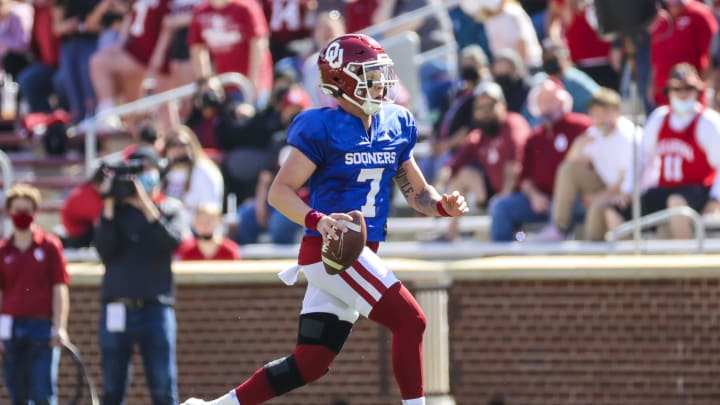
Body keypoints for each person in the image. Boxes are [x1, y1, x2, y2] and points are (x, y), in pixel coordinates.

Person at [181, 33, 468, 405]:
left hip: (357, 251)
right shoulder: (321, 127)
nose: (380, 84)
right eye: (369, 75)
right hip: (331, 251)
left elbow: (418, 193)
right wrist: (318, 220)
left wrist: (442, 206)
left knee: (310, 363)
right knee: (411, 321)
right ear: (341, 82)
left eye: (381, 74)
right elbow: (279, 192)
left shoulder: (395, 123)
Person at [94, 146, 186, 405]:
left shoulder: (169, 207)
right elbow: (104, 249)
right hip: (117, 307)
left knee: (163, 388)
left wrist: (144, 204)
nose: (140, 176)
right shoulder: (115, 212)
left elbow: (171, 242)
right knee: (112, 389)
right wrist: (110, 202)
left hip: (155, 310)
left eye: (145, 169)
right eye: (135, 169)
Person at [606, 63, 720, 239]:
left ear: (697, 91)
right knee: (615, 210)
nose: (682, 95)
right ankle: (632, 261)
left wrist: (716, 200)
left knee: (677, 205)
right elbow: (642, 159)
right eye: (677, 89)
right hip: (665, 188)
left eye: (688, 89)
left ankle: (685, 262)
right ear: (668, 92)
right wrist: (628, 191)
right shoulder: (659, 118)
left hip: (699, 190)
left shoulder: (708, 122)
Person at [489, 78, 591, 241]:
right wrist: (534, 196)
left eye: (552, 100)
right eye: (543, 101)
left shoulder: (581, 127)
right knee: (500, 206)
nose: (547, 106)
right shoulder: (534, 137)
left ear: (562, 102)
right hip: (541, 201)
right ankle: (501, 258)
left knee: (565, 202)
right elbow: (524, 178)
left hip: (574, 200)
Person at [534, 87, 635, 241]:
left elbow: (625, 183)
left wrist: (597, 197)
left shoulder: (628, 136)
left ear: (617, 112)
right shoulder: (593, 134)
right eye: (596, 114)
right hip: (605, 187)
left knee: (596, 207)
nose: (601, 119)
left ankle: (593, 256)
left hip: (628, 195)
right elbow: (568, 165)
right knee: (568, 170)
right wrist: (577, 146)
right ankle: (559, 228)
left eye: (606, 113)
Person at [0, 183, 70, 405]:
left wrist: (59, 326)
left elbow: (59, 288)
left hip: (42, 328)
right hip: (11, 330)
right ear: (9, 212)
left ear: (35, 212)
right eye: (17, 210)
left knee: (42, 394)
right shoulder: (3, 250)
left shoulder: (49, 246)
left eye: (26, 210)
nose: (21, 215)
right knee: (17, 394)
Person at [434, 81, 531, 241]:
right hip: (495, 193)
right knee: (462, 175)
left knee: (501, 204)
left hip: (524, 194)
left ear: (503, 105)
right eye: (480, 108)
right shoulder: (478, 136)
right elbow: (452, 165)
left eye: (490, 106)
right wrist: (437, 189)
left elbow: (515, 162)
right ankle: (450, 233)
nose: (485, 112)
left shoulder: (513, 124)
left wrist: (504, 198)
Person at [175, 203, 241, 260]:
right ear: (194, 224)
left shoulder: (230, 250)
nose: (205, 225)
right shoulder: (186, 251)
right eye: (200, 221)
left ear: (218, 222)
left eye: (209, 221)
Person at [60, 164, 104, 248]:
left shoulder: (89, 189)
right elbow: (101, 222)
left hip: (81, 227)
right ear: (98, 183)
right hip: (77, 234)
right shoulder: (90, 194)